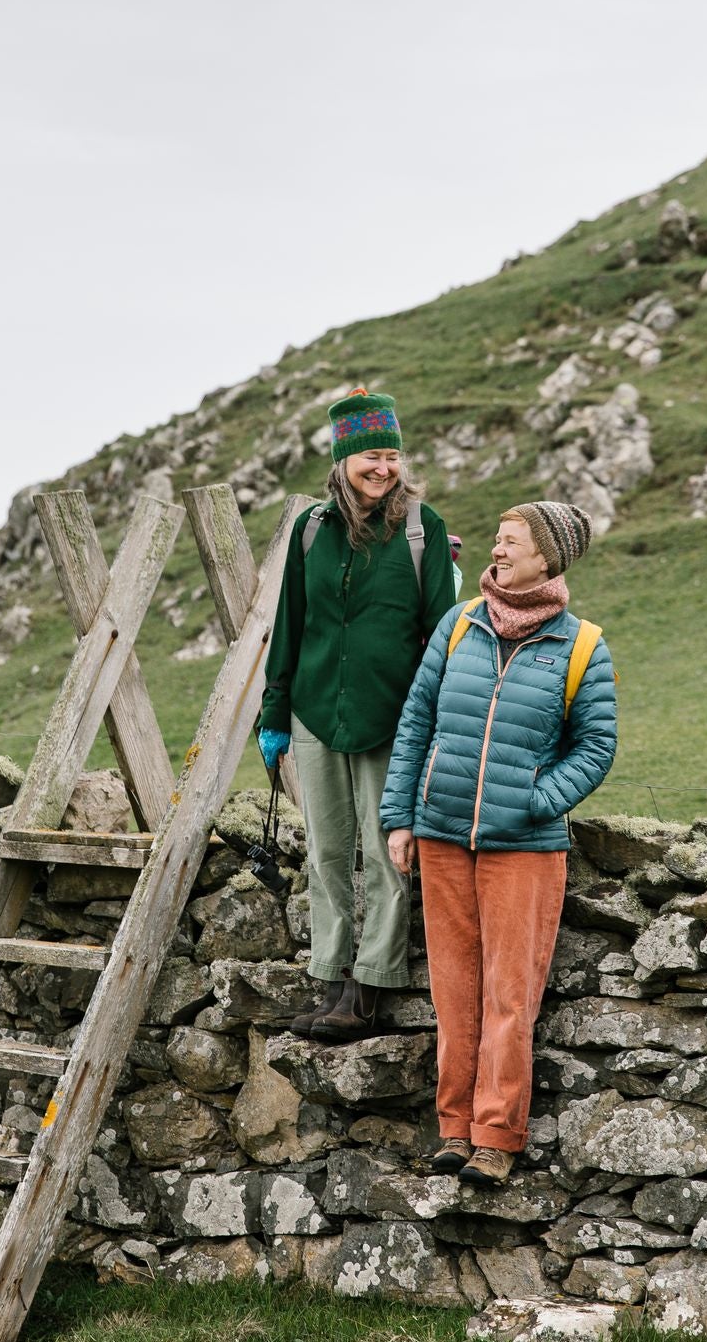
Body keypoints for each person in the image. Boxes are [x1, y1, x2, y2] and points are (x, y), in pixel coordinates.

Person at [379, 501, 616, 1185]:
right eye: (498, 540)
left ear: (547, 556)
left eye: (511, 541)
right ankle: (453, 1130)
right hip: (442, 837)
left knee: (510, 998)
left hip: (525, 850)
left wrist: (530, 802)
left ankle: (495, 1137)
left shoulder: (581, 646)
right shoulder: (458, 626)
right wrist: (401, 817)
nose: (497, 549)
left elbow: (595, 747)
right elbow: (416, 720)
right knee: (454, 994)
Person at [258, 389, 457, 1041]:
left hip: (391, 716)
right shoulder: (310, 530)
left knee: (384, 850)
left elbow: (439, 635)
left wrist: (428, 721)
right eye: (372, 455)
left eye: (392, 456)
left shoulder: (421, 529)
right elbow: (289, 621)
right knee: (326, 849)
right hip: (317, 708)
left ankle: (369, 985)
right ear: (343, 459)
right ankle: (329, 975)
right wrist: (275, 711)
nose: (383, 468)